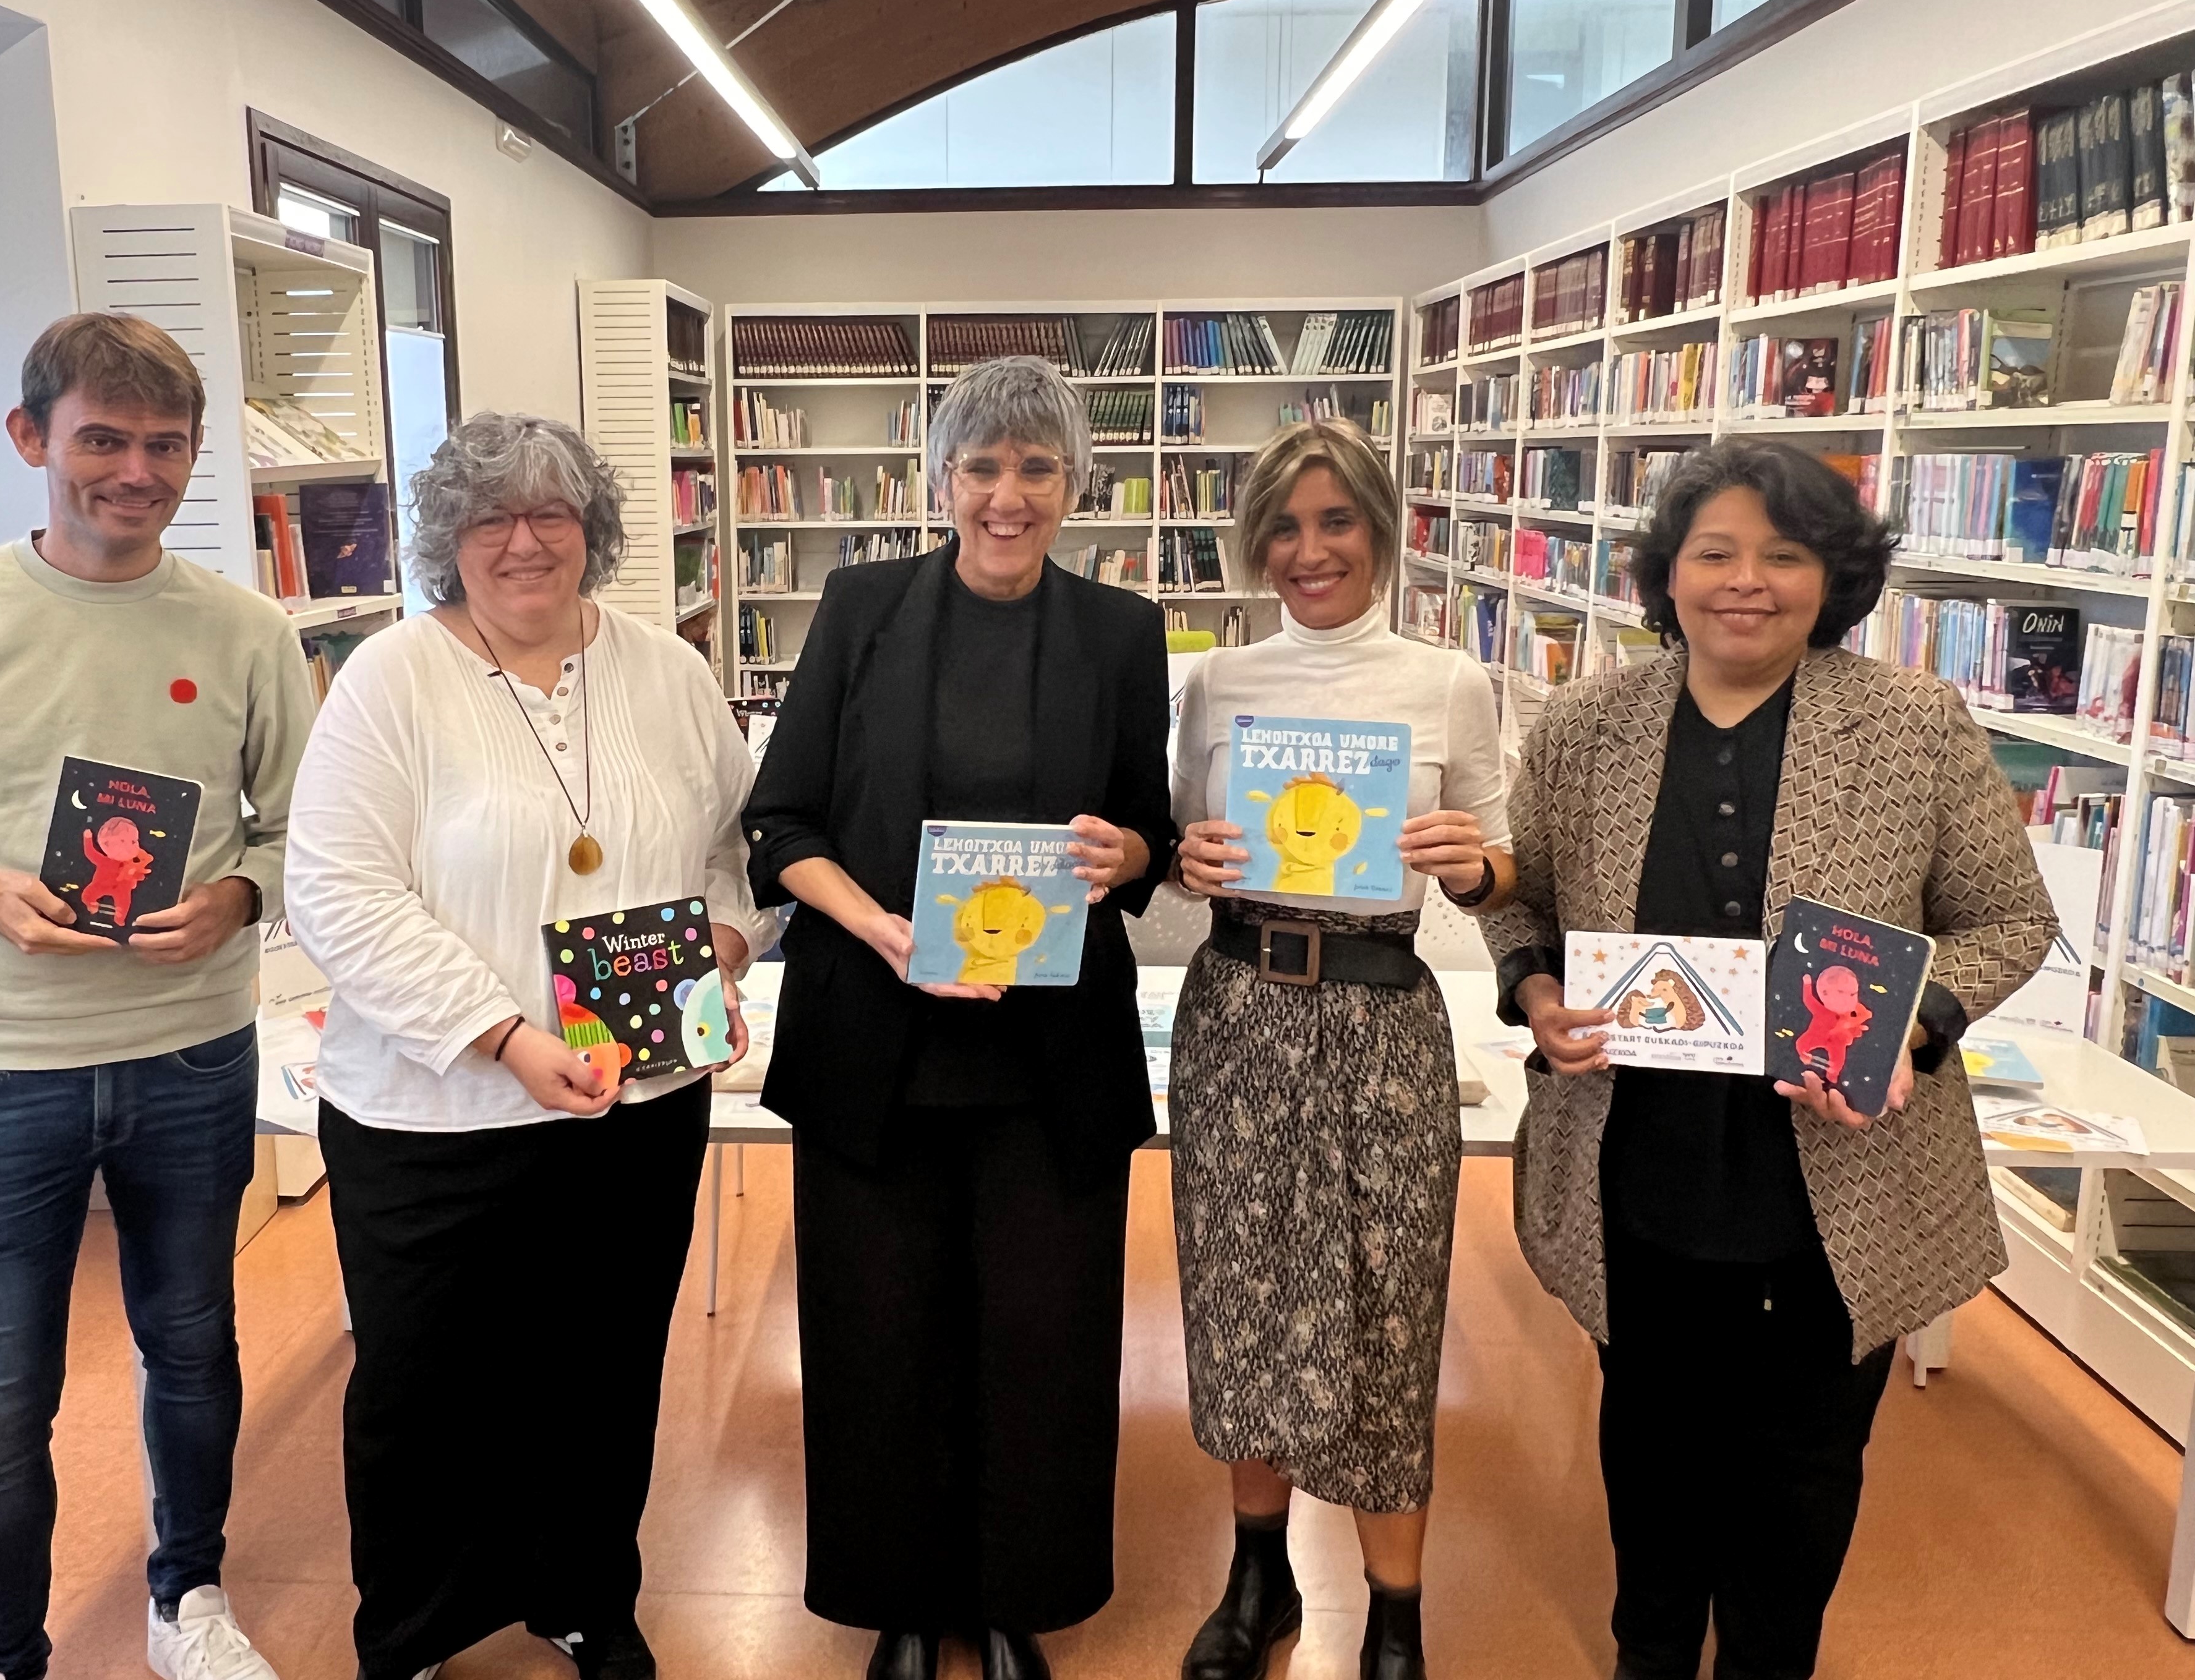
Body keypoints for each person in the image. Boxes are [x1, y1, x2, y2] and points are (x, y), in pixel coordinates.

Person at [1478, 440, 2056, 1680]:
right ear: (1667, 573)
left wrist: (1918, 1022)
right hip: (1639, 1157)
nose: (1748, 582)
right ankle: (1650, 1649)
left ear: (1833, 578)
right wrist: (1533, 990)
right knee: (1650, 1438)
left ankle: (1768, 1659)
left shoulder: (1910, 724)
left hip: (1838, 1170)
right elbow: (1522, 900)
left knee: (1803, 1463)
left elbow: (2010, 919)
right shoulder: (1587, 724)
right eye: (1716, 553)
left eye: (1784, 556)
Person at [0, 313, 315, 1680]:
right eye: (101, 439)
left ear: (194, 458)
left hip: (194, 1054)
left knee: (194, 1346)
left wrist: (242, 898)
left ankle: (185, 1598)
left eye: (162, 446)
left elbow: (304, 830)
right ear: (32, 439)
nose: (132, 472)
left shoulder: (248, 629)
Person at [284, 412, 779, 1680]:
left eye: (551, 513)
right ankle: (410, 1630)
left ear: (593, 531)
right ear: (448, 539)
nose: (522, 541)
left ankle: (584, 1599)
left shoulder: (664, 670)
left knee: (604, 1375)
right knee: (423, 1394)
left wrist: (722, 944)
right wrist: (502, 1037)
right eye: (489, 517)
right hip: (434, 1117)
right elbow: (339, 894)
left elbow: (728, 844)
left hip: (636, 1106)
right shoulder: (391, 681)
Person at [742, 355, 1176, 1680]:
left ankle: (1013, 1597)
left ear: (1073, 486)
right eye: (982, 468)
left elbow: (1146, 832)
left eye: (1036, 468)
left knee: (1044, 1338)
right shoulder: (863, 607)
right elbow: (784, 822)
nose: (1007, 495)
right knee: (878, 1332)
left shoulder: (1120, 631)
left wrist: (1126, 860)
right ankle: (899, 1599)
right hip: (879, 1039)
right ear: (941, 481)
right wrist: (878, 928)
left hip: (1047, 1059)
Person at [1166, 417, 1515, 1680]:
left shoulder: (1447, 681)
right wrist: (1182, 858)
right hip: (1241, 1017)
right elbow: (1170, 854)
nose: (1309, 552)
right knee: (1242, 1300)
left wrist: (1477, 866)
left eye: (1335, 522)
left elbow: (1511, 859)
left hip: (1384, 1024)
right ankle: (1259, 1580)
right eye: (1284, 528)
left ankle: (1396, 1614)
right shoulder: (1215, 681)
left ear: (1381, 529)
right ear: (1255, 545)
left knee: (1387, 1311)